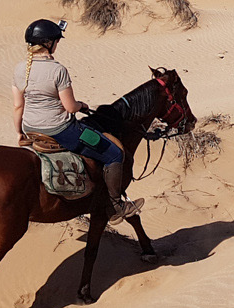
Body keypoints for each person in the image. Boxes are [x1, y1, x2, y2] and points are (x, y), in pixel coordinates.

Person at [12, 19, 143, 224]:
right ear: (48, 43)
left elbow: (18, 106)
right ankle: (116, 206)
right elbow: (70, 108)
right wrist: (81, 105)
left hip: (31, 128)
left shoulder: (20, 69)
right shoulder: (57, 70)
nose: (57, 44)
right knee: (114, 153)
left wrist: (19, 132)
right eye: (56, 40)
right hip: (61, 130)